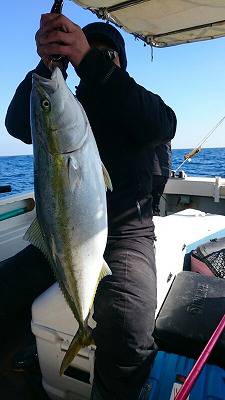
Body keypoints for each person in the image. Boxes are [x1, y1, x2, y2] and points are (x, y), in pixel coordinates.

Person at [4, 13, 177, 400]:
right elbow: (18, 123)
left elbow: (163, 124)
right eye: (84, 53)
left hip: (126, 235)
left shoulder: (136, 103)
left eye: (104, 55)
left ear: (118, 63)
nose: (92, 59)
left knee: (126, 327)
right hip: (58, 235)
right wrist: (47, 64)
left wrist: (90, 59)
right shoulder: (70, 109)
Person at [152, 142, 172, 216]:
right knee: (155, 205)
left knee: (148, 205)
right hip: (165, 171)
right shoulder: (167, 132)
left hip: (153, 170)